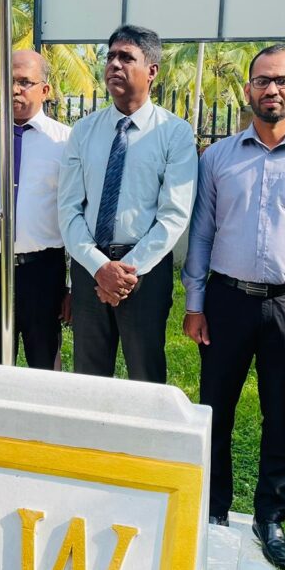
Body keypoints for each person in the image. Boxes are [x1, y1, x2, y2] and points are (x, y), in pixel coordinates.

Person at [182, 44, 285, 568]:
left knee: (281, 415)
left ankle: (270, 516)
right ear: (248, 90)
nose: (271, 89)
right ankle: (212, 509)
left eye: (282, 81)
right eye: (262, 80)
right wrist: (195, 303)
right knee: (215, 410)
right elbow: (201, 233)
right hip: (227, 301)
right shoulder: (218, 158)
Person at [58, 25, 197, 383]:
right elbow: (69, 208)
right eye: (110, 57)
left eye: (126, 57)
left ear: (152, 71)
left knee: (145, 375)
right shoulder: (84, 131)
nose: (114, 65)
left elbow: (174, 215)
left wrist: (125, 272)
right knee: (88, 376)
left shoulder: (174, 133)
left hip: (145, 272)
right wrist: (99, 267)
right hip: (90, 269)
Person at [0, 50, 72, 368]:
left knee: (44, 365)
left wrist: (71, 285)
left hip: (42, 271)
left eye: (24, 82)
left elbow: (74, 214)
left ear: (45, 90)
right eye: (8, 82)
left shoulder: (65, 142)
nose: (14, 90)